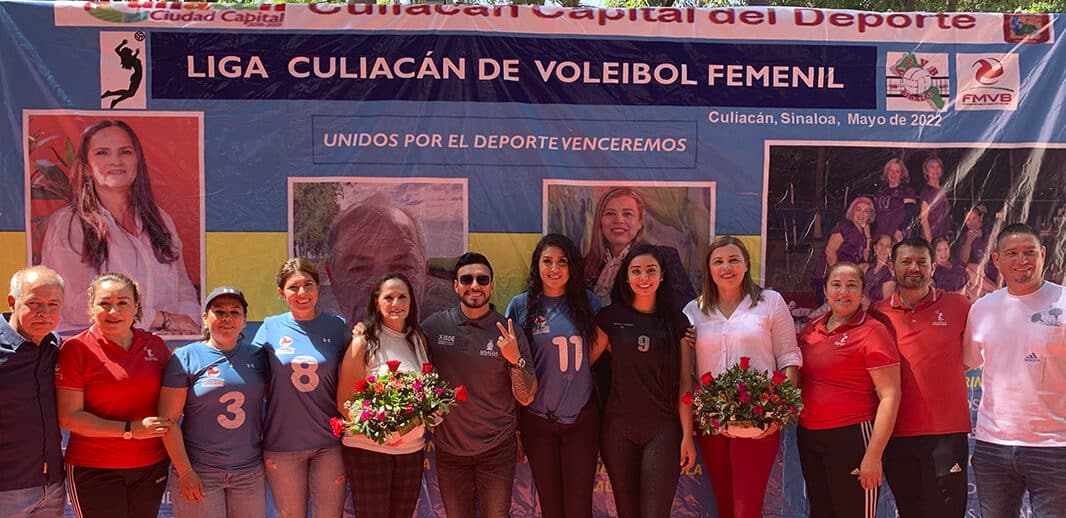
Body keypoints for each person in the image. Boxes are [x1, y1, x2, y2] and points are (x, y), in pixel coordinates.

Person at [40, 119, 200, 335]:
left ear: (137, 161)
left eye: (125, 152)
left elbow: (183, 290)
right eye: (102, 153)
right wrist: (162, 319)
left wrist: (189, 325)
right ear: (86, 167)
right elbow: (75, 304)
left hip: (162, 348)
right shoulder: (69, 223)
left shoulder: (160, 219)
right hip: (96, 353)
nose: (115, 161)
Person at [681, 236, 801, 518]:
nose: (727, 267)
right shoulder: (692, 312)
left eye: (734, 260)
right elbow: (688, 373)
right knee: (724, 505)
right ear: (708, 269)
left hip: (758, 419)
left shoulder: (770, 302)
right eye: (718, 261)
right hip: (712, 424)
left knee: (746, 508)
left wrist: (778, 416)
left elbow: (789, 359)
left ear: (747, 265)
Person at [421, 252, 538, 518]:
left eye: (482, 279)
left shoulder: (509, 332)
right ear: (456, 285)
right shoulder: (433, 327)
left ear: (492, 285)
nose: (475, 285)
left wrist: (514, 359)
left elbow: (527, 397)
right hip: (450, 450)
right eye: (467, 279)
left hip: (496, 450)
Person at [963, 223, 1066, 518]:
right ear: (996, 260)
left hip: (1055, 446)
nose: (1021, 260)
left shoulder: (1063, 302)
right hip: (993, 447)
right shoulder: (982, 309)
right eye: (1012, 254)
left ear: (1043, 254)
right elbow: (964, 362)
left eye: (1029, 252)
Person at [55, 272, 174, 518]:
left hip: (151, 466)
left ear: (136, 307)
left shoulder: (156, 346)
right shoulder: (76, 348)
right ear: (91, 306)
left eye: (122, 303)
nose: (113, 312)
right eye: (104, 303)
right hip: (95, 468)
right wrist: (130, 429)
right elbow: (69, 418)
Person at [591, 244, 696, 518]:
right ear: (626, 277)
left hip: (663, 429)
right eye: (636, 271)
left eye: (651, 270)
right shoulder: (610, 319)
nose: (644, 277)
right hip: (618, 430)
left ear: (662, 275)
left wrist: (687, 435)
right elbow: (579, 366)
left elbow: (686, 383)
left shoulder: (678, 322)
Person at [873, 238, 972, 517]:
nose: (914, 268)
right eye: (906, 261)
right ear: (892, 266)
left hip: (947, 434)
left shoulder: (959, 305)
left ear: (933, 267)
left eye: (921, 262)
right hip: (897, 434)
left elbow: (976, 354)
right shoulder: (877, 314)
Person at [505, 234, 601, 518]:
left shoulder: (588, 303)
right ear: (537, 266)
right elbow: (509, 368)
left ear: (572, 267)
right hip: (537, 420)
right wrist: (516, 427)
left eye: (562, 261)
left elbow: (608, 341)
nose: (554, 268)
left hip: (581, 419)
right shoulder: (520, 306)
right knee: (550, 505)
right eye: (547, 261)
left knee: (579, 505)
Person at [796, 262, 901, 518]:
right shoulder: (811, 329)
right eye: (836, 285)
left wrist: (873, 455)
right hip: (810, 437)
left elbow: (890, 395)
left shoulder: (873, 331)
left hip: (853, 438)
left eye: (851, 285)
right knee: (821, 512)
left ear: (863, 292)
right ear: (825, 290)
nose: (843, 292)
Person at [252, 258, 351, 518]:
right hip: (283, 444)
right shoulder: (270, 327)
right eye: (293, 287)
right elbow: (251, 379)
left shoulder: (338, 326)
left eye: (308, 285)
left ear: (318, 287)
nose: (302, 293)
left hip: (329, 444)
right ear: (281, 293)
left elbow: (353, 377)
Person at [158, 287, 268, 517]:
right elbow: (168, 422)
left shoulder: (258, 356)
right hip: (200, 471)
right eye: (219, 311)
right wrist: (185, 472)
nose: (227, 318)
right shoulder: (186, 357)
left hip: (248, 472)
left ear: (244, 321)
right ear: (205, 319)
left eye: (234, 312)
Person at [335, 273, 430, 518]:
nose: (396, 303)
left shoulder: (418, 340)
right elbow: (346, 402)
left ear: (411, 302)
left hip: (410, 451)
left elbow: (426, 395)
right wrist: (383, 433)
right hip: (368, 450)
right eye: (389, 297)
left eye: (402, 296)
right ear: (377, 303)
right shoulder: (363, 342)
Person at [0, 266, 66, 518]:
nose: (45, 313)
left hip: (52, 489)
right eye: (34, 303)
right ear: (12, 302)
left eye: (53, 304)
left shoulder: (55, 345)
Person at [326, 198, 455, 325]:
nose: (383, 286)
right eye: (360, 269)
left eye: (402, 267)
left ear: (423, 273)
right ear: (332, 276)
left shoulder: (447, 342)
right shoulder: (315, 344)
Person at [583, 187, 695, 308]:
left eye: (627, 214)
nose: (619, 220)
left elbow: (686, 310)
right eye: (610, 213)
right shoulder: (586, 264)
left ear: (640, 221)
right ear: (600, 220)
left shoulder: (665, 257)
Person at [811, 196, 875, 306]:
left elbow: (866, 257)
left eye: (866, 211)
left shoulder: (863, 231)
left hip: (845, 277)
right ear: (852, 211)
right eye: (858, 209)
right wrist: (836, 276)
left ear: (870, 215)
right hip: (827, 278)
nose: (861, 214)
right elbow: (830, 251)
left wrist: (868, 237)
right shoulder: (845, 226)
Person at [958, 204, 999, 301]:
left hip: (996, 274)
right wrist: (968, 242)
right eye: (968, 220)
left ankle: (995, 291)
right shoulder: (967, 236)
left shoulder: (991, 234)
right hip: (982, 275)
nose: (971, 223)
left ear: (981, 218)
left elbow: (1001, 260)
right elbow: (963, 261)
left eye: (974, 218)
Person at [874, 157, 917, 242]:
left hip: (898, 234)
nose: (893, 174)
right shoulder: (880, 191)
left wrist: (900, 230)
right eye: (891, 170)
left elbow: (910, 213)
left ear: (902, 174)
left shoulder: (907, 191)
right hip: (880, 235)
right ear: (887, 172)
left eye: (897, 172)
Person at [918, 156, 952, 242]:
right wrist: (930, 242)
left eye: (938, 167)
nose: (935, 170)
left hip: (942, 236)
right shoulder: (926, 191)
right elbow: (924, 220)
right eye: (931, 167)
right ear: (926, 171)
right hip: (931, 237)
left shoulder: (943, 190)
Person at [100, 40, 142, 109]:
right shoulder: (128, 58)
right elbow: (117, 50)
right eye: (129, 51)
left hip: (137, 76)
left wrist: (135, 53)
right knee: (131, 93)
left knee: (130, 93)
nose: (130, 51)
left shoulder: (129, 58)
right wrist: (122, 44)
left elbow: (132, 59)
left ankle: (114, 99)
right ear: (127, 53)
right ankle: (111, 95)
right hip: (137, 76)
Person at [865, 234, 896, 304]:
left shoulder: (890, 274)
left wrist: (867, 302)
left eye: (888, 246)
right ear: (875, 247)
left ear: (891, 251)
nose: (883, 249)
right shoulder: (867, 268)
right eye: (881, 244)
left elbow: (886, 305)